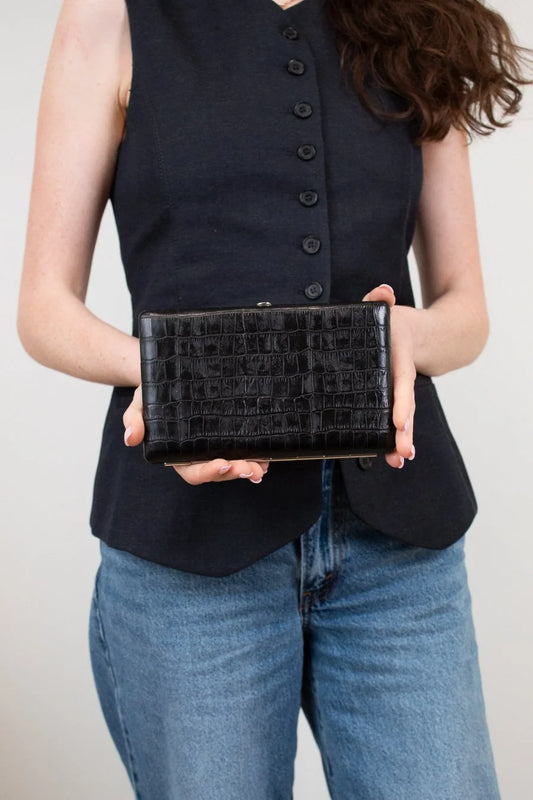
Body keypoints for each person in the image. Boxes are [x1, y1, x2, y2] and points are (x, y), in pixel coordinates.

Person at [16, 0, 531, 797]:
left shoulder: (415, 16)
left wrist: (407, 337)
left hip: (397, 546)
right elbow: (42, 310)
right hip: (189, 556)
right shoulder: (111, 15)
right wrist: (174, 381)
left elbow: (466, 313)